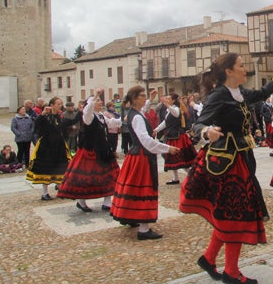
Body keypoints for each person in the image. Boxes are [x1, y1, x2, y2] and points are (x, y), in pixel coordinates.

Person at [180, 53, 273, 284]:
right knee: (234, 214)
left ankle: (209, 259)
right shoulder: (219, 95)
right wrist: (206, 132)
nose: (245, 69)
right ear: (229, 71)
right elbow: (198, 123)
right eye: (241, 66)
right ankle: (231, 272)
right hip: (226, 165)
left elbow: (262, 92)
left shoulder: (240, 93)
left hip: (241, 158)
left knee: (228, 214)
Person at [111, 87, 179, 240]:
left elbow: (143, 110)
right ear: (134, 99)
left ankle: (132, 218)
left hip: (137, 155)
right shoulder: (136, 117)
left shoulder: (135, 114)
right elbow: (146, 141)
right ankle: (143, 228)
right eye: (141, 96)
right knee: (144, 189)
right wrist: (167, 148)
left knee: (134, 189)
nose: (144, 99)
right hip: (141, 156)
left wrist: (149, 98)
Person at [58, 91, 122, 212]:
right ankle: (81, 201)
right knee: (87, 178)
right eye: (98, 101)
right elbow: (87, 111)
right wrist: (95, 97)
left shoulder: (101, 116)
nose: (101, 102)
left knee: (110, 175)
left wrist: (125, 119)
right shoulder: (88, 116)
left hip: (103, 149)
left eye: (100, 100)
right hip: (91, 150)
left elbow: (112, 123)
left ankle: (107, 202)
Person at [26, 97, 73, 200]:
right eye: (57, 104)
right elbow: (36, 125)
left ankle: (60, 187)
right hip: (46, 145)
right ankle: (45, 192)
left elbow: (66, 125)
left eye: (60, 104)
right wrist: (42, 114)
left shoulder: (60, 117)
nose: (59, 106)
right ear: (51, 105)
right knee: (46, 168)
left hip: (58, 144)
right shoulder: (45, 116)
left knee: (60, 166)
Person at [153, 93, 197, 185]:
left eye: (168, 98)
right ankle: (176, 178)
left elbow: (176, 114)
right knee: (172, 157)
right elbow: (165, 122)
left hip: (178, 136)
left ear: (173, 100)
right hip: (172, 136)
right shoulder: (169, 110)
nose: (166, 100)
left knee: (179, 157)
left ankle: (191, 175)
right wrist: (156, 130)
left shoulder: (175, 108)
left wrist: (167, 105)